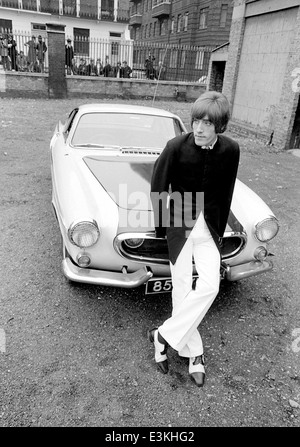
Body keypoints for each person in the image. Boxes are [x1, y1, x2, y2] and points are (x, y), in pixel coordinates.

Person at [149, 91, 240, 387]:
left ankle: (162, 335)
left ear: (220, 126)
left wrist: (220, 228)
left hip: (210, 229)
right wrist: (162, 228)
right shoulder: (175, 146)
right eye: (195, 121)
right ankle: (195, 354)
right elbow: (158, 187)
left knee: (211, 286)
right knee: (182, 291)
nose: (199, 129)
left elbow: (226, 191)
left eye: (207, 124)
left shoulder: (231, 150)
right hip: (179, 226)